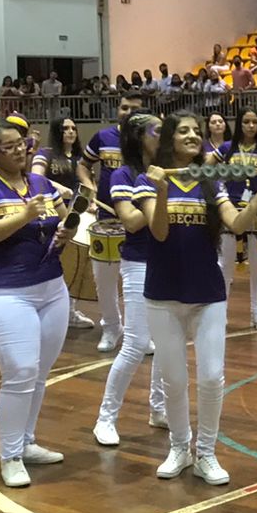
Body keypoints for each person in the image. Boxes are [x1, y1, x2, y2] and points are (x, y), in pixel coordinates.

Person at [141, 113, 257, 484]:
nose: (193, 136)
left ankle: (205, 452)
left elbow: (237, 224)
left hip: (208, 293)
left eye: (197, 131)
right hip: (163, 295)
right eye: (184, 131)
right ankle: (179, 447)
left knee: (211, 377)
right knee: (174, 380)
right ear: (170, 138)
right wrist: (161, 190)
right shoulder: (149, 180)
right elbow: (159, 233)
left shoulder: (211, 182)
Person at [0, 120, 73, 488]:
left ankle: (26, 442)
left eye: (21, 143)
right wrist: (23, 216)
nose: (19, 150)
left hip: (52, 288)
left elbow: (64, 219)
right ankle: (9, 455)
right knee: (21, 370)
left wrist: (68, 230)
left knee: (39, 373)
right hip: (4, 291)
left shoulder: (41, 184)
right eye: (8, 146)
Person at [90, 112, 170, 447]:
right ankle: (105, 418)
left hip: (169, 261)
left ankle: (159, 408)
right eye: (157, 131)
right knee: (136, 343)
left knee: (167, 343)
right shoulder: (124, 174)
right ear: (139, 137)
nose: (165, 136)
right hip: (139, 263)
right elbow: (133, 221)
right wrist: (159, 193)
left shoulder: (170, 169)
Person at [79, 91, 145, 353]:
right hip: (107, 217)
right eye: (124, 108)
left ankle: (139, 332)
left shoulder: (149, 141)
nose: (128, 113)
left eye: (135, 109)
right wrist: (91, 188)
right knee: (104, 279)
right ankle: (111, 326)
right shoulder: (103, 137)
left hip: (142, 218)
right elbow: (83, 165)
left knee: (139, 279)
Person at [218, 105, 257, 331]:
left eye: (254, 122)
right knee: (226, 264)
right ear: (239, 124)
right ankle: (220, 312)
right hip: (230, 211)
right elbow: (206, 169)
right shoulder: (227, 148)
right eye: (246, 122)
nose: (251, 126)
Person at [33, 114, 96, 331]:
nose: (70, 132)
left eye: (73, 128)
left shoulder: (81, 158)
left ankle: (69, 311)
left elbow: (89, 184)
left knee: (75, 263)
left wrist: (92, 201)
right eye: (65, 128)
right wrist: (56, 187)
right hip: (52, 212)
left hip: (76, 214)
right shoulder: (46, 154)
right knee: (51, 259)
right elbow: (35, 176)